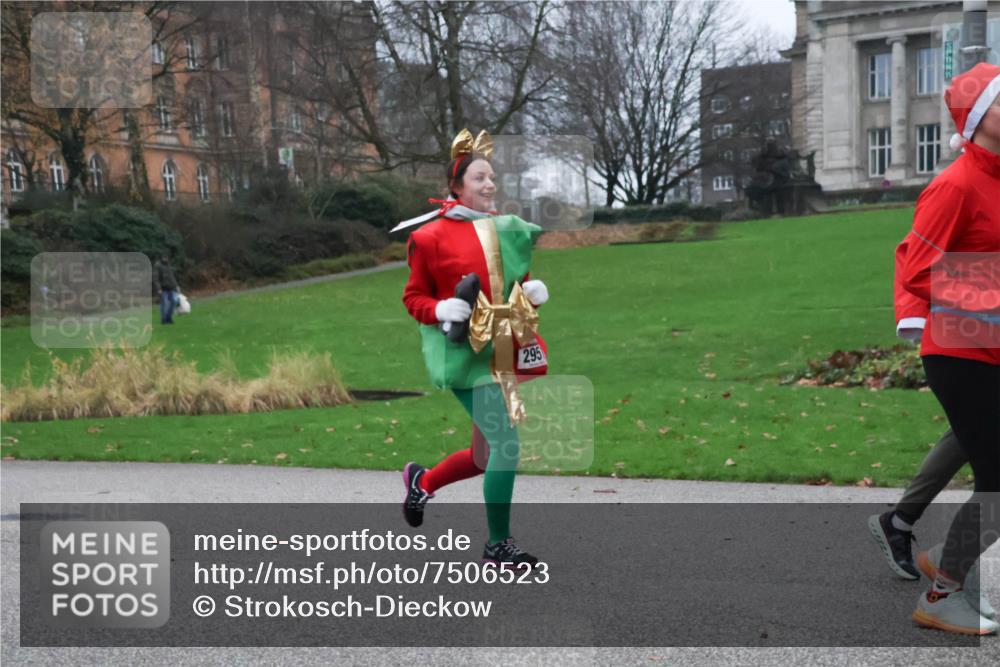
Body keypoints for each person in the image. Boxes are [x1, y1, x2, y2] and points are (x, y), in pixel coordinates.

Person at [397, 128, 550, 568]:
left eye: (492, 178)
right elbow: (413, 298)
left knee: (486, 457)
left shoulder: (506, 230)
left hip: (503, 352)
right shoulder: (430, 238)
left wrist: (532, 292)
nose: (489, 185)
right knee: (507, 445)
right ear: (457, 185)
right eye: (480, 178)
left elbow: (514, 284)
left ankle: (422, 483)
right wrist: (442, 308)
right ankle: (497, 545)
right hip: (465, 357)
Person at [896, 62, 1000, 636]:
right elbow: (915, 269)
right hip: (960, 355)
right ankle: (941, 595)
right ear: (981, 118)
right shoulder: (956, 184)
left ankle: (945, 562)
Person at [867, 256, 994, 619]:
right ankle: (946, 582)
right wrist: (914, 315)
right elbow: (914, 256)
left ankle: (936, 550)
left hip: (980, 338)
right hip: (969, 341)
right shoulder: (960, 196)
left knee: (974, 432)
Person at [153, 254, 179, 325]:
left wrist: (176, 285)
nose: (165, 258)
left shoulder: (168, 265)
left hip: (171, 287)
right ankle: (163, 319)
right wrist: (158, 288)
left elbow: (172, 277)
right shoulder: (157, 266)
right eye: (164, 257)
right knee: (164, 304)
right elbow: (156, 278)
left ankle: (169, 317)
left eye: (166, 257)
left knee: (174, 302)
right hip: (162, 288)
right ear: (161, 258)